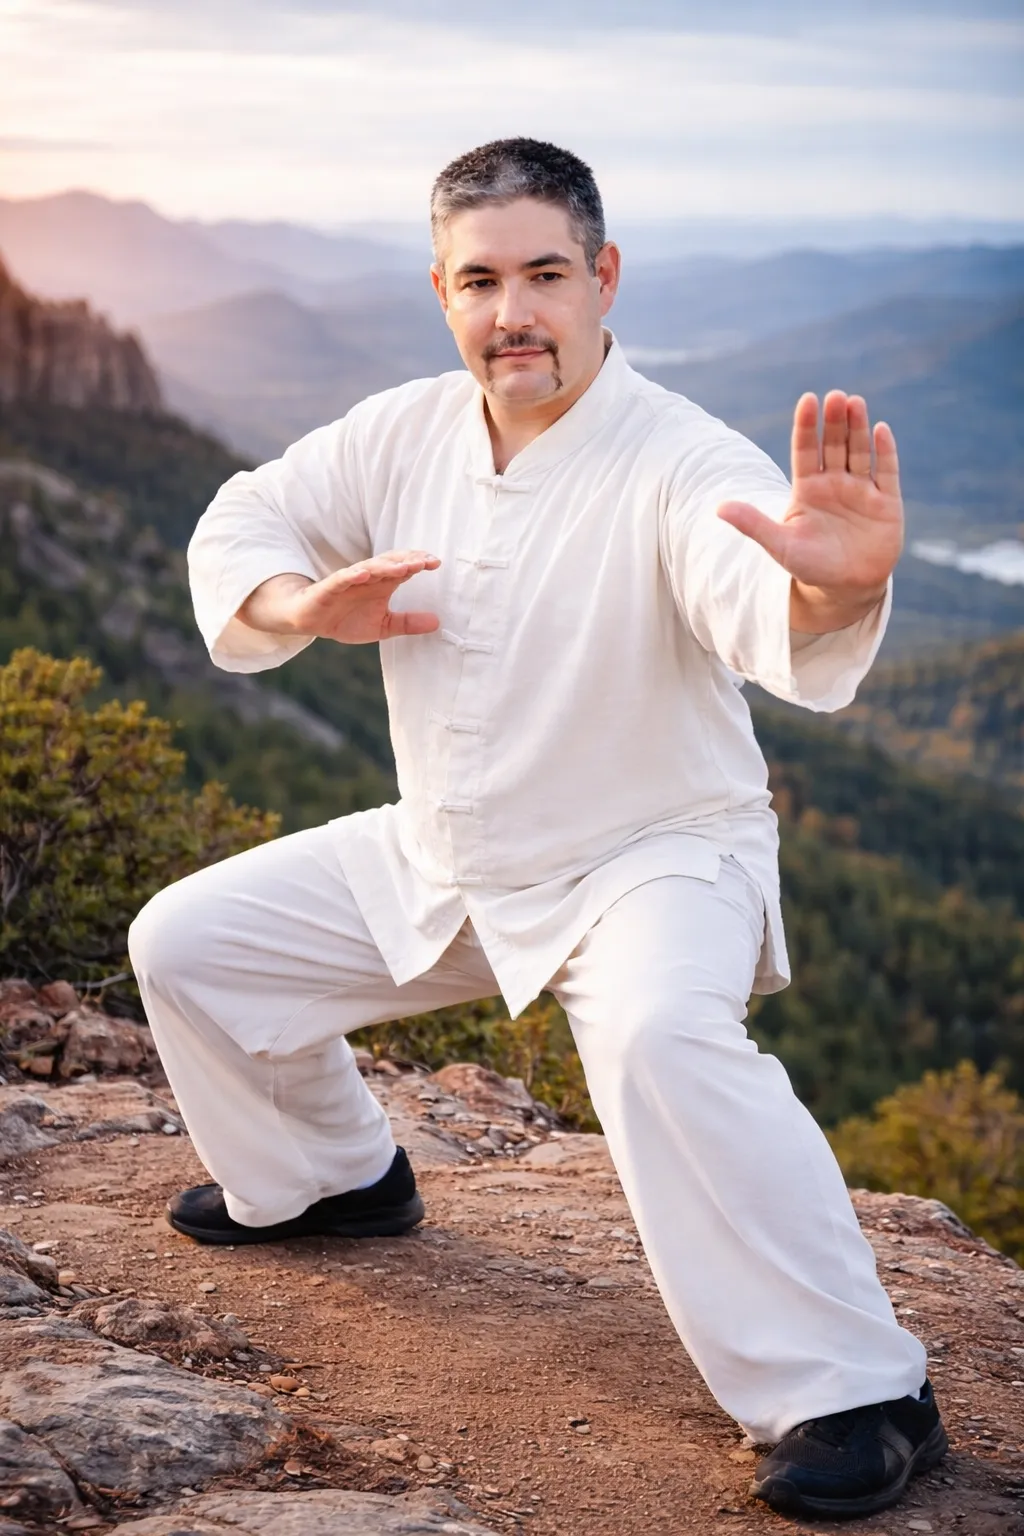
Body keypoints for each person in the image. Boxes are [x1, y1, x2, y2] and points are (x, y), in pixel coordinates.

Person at [128, 137, 947, 1520]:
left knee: (656, 1035)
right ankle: (332, 1181)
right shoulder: (398, 432)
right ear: (442, 293)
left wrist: (832, 594)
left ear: (604, 279)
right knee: (187, 944)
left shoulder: (683, 458)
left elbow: (755, 600)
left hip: (653, 852)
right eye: (481, 280)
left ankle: (856, 1389)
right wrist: (294, 603)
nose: (514, 310)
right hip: (447, 846)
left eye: (546, 274)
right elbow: (248, 514)